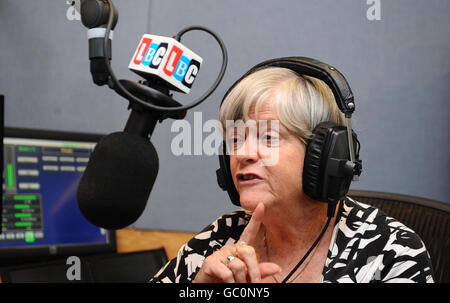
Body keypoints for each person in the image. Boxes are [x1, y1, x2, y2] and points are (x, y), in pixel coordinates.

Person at [150, 59, 434, 283]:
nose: (243, 154)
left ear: (323, 155)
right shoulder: (217, 240)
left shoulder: (389, 251)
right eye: (236, 139)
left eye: (268, 137)